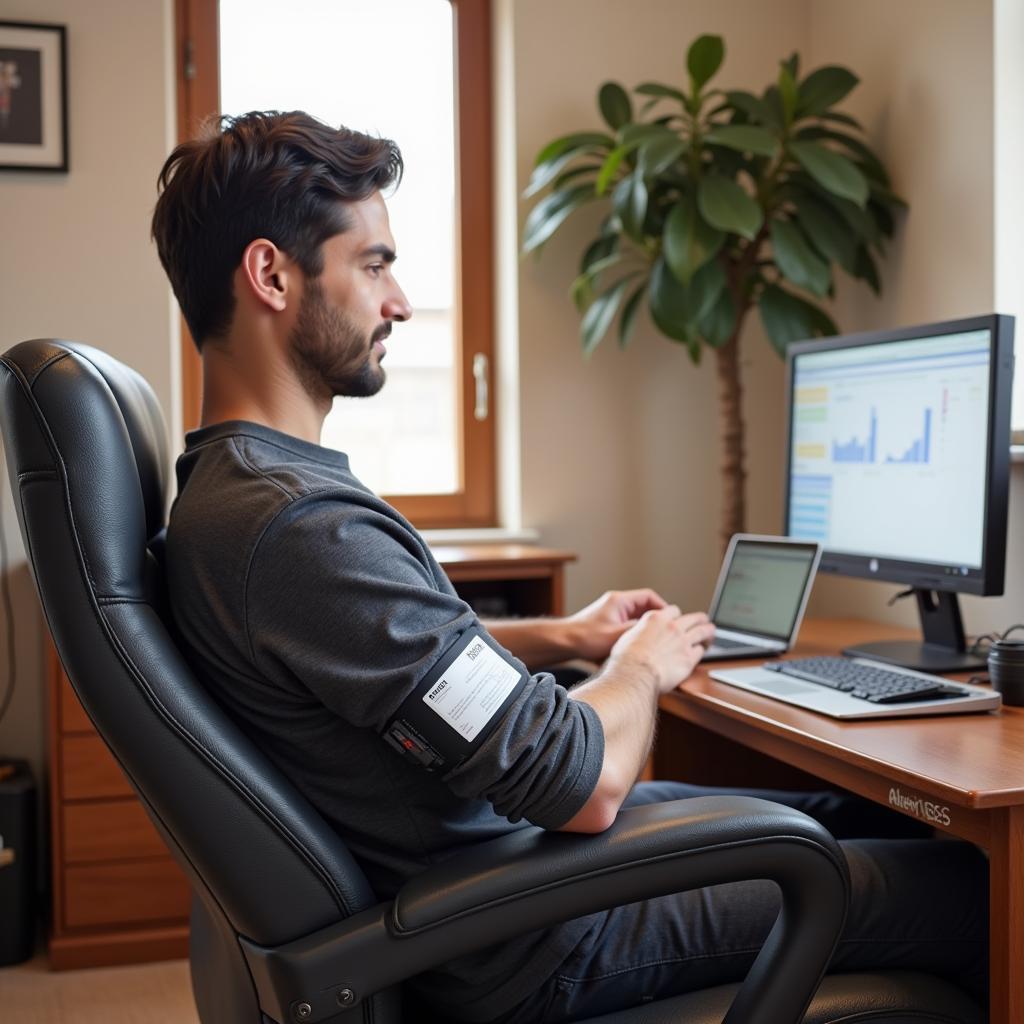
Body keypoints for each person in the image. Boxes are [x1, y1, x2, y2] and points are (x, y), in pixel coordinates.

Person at [152, 111, 988, 1022]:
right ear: (271, 274)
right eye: (375, 264)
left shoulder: (239, 497)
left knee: (860, 814)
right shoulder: (298, 528)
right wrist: (639, 667)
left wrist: (560, 635)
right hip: (533, 938)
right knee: (972, 885)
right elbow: (584, 786)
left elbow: (370, 672)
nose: (397, 302)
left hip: (502, 876)